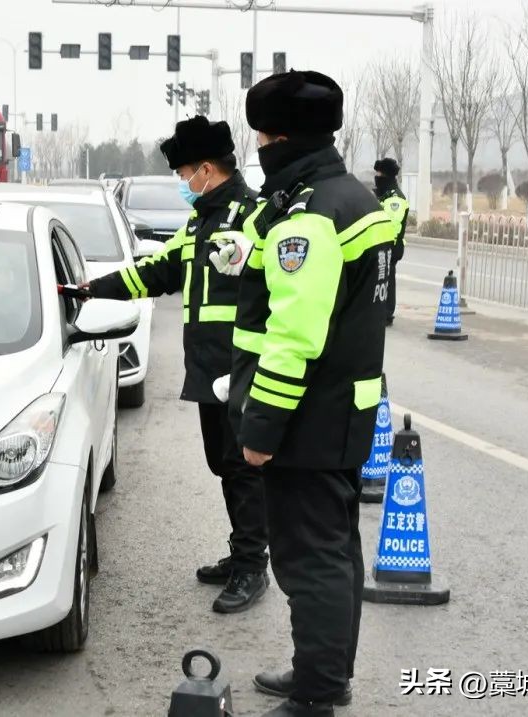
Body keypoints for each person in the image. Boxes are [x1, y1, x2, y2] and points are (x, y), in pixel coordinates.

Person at [210, 70, 394, 716]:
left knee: (308, 559)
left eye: (262, 135)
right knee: (337, 550)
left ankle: (317, 691)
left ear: (281, 137)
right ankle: (325, 671)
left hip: (304, 419)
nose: (259, 147)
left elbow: (292, 337)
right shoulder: (355, 200)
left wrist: (259, 432)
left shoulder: (309, 215)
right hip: (345, 410)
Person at [84, 115, 270, 614]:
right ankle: (242, 552)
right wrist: (95, 288)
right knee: (223, 463)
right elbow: (162, 270)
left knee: (242, 466)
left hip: (243, 366)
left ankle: (254, 565)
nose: (182, 184)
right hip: (211, 367)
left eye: (185, 173)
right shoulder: (202, 219)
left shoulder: (255, 217)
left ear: (207, 169)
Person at [374, 158, 409, 325]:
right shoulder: (384, 195)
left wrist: (386, 245)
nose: (377, 177)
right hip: (382, 244)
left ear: (387, 175)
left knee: (387, 279)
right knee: (381, 278)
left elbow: (393, 226)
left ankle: (387, 313)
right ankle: (381, 311)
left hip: (390, 245)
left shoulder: (395, 198)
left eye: (379, 174)